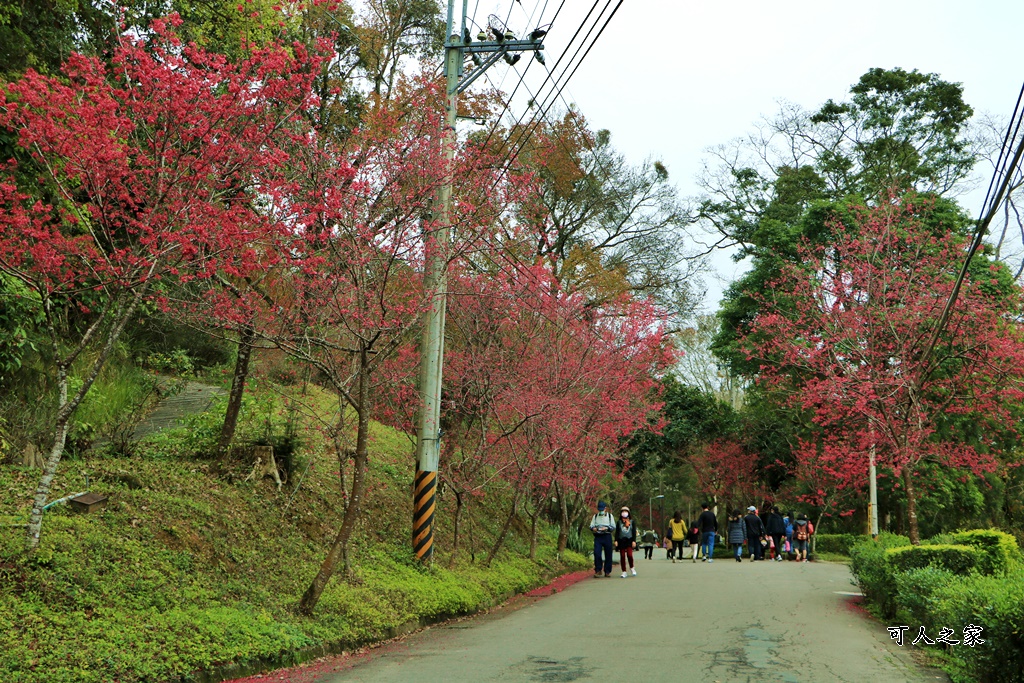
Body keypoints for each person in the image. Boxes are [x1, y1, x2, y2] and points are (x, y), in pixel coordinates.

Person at [589, 501, 615, 577]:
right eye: (599, 510)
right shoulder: (595, 516)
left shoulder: (610, 516)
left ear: (605, 509)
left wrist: (606, 528)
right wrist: (594, 528)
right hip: (598, 536)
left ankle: (607, 571)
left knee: (608, 554)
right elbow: (591, 525)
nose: (601, 511)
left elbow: (613, 526)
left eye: (602, 509)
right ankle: (598, 569)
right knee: (597, 553)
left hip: (607, 536)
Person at [615, 506, 638, 577]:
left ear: (628, 513)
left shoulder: (632, 522)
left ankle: (632, 568)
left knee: (629, 555)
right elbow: (617, 532)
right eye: (623, 511)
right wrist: (616, 540)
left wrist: (634, 541)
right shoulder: (619, 522)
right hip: (621, 540)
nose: (624, 513)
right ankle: (624, 571)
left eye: (626, 511)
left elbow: (633, 532)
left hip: (629, 540)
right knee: (622, 556)